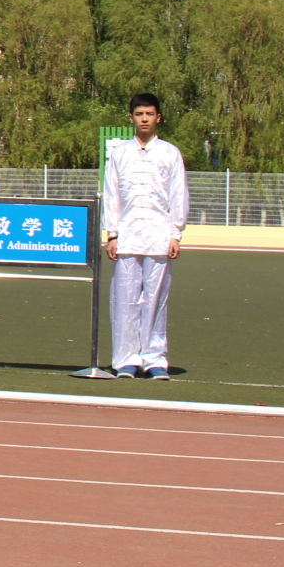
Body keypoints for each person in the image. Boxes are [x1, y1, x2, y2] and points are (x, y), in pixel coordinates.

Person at [102, 93, 189, 380]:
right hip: (127, 235)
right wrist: (112, 233)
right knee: (125, 300)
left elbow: (178, 194)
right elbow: (112, 194)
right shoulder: (120, 153)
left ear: (158, 117)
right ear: (131, 118)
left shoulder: (169, 153)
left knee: (155, 299)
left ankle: (154, 359)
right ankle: (125, 359)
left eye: (149, 114)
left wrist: (175, 233)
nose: (144, 119)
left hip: (159, 235)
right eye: (139, 114)